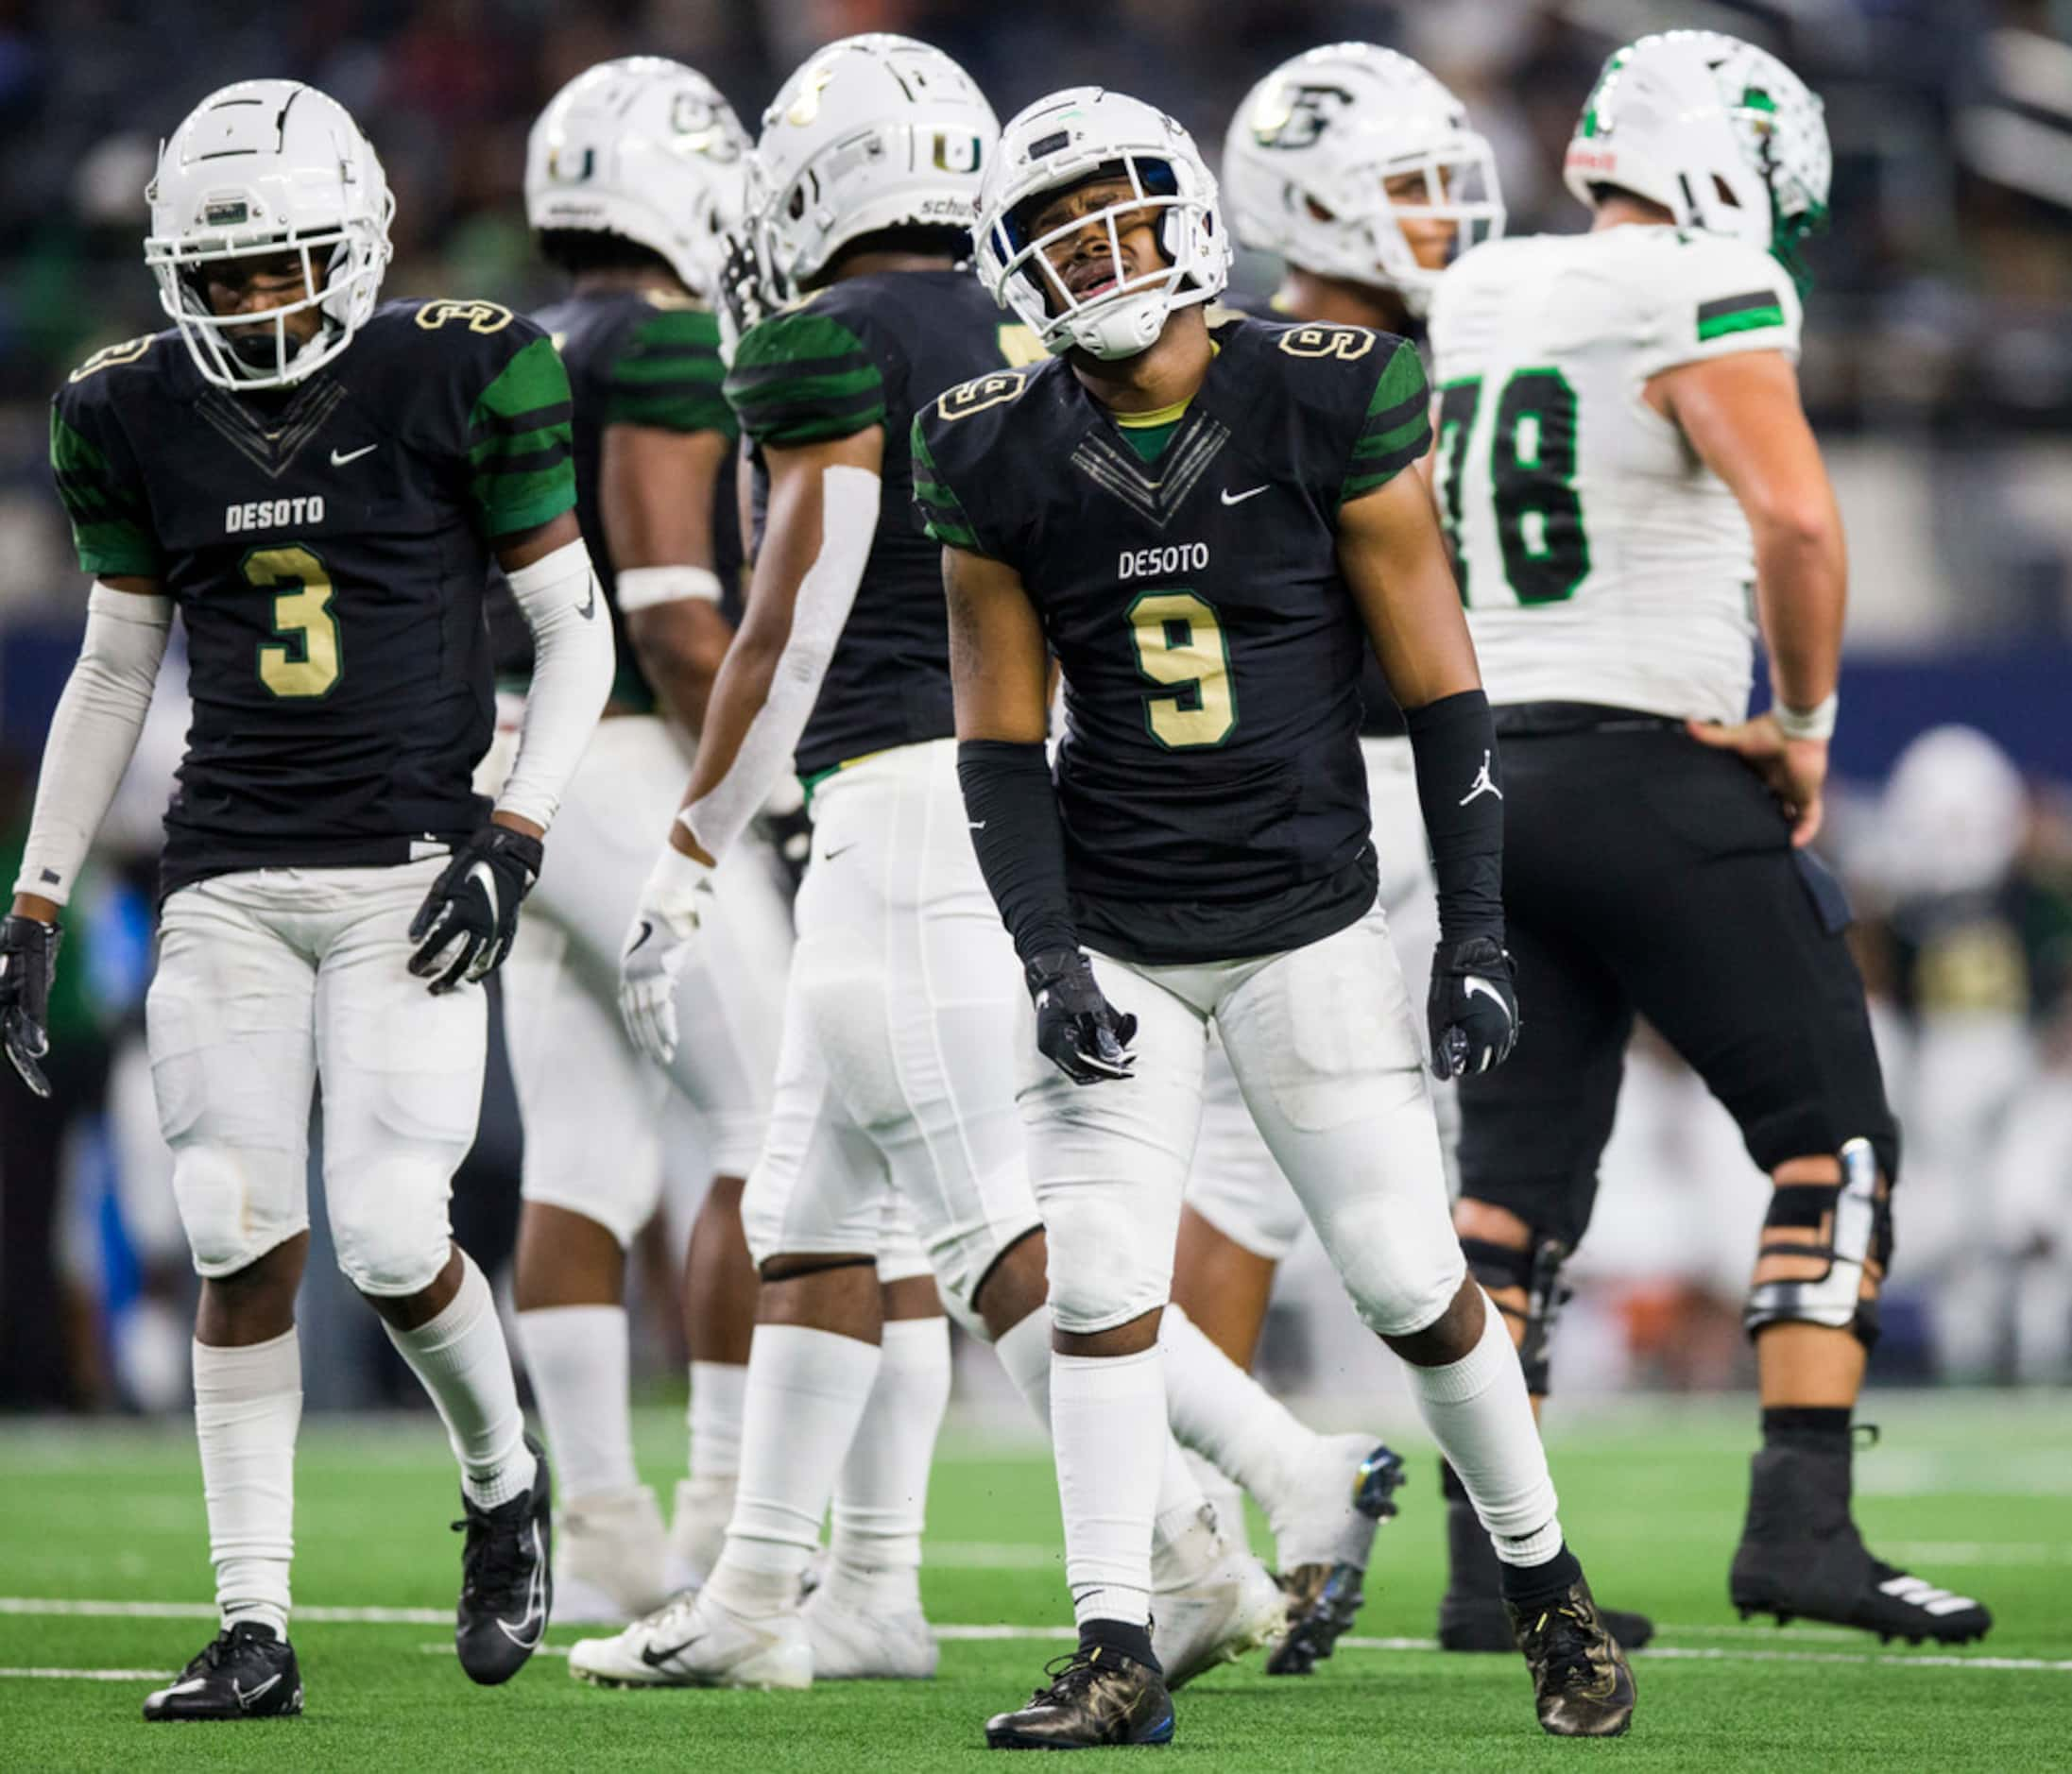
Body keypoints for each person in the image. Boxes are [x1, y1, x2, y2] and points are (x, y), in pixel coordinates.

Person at [578, 35, 1391, 1697]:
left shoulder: (838, 340)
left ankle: (1215, 1527)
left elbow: (797, 615)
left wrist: (688, 841)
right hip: (1026, 790)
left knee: (977, 1232)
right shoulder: (1049, 328)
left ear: (818, 185)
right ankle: (797, 1594)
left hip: (903, 798)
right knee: (810, 1214)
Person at [920, 86, 1633, 1748]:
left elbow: (1447, 690)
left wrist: (1475, 932)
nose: (1100, 247)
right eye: (1061, 226)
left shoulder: (1332, 392)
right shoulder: (989, 443)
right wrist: (1042, 951)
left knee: (1404, 1273)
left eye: (1122, 210)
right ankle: (1111, 1635)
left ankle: (1548, 1587)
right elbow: (1000, 736)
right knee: (1098, 1271)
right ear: (1015, 267)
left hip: (1310, 917)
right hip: (1121, 922)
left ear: (1185, 216)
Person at [0, 80, 614, 1717]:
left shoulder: (462, 367)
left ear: (353, 248)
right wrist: (40, 889)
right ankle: (252, 1618)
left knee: (397, 1227)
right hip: (228, 867)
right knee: (231, 1227)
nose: (255, 301)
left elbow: (574, 627)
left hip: (413, 858)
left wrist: (519, 827)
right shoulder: (127, 409)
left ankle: (500, 1480)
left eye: (283, 266)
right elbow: (118, 659)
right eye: (223, 275)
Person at [1428, 29, 1991, 1646]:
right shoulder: (1698, 285)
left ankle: (1492, 1571)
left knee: (1513, 1190)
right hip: (1644, 755)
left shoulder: (1469, 290)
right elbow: (1800, 516)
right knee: (1839, 1136)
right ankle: (1803, 1525)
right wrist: (1803, 728)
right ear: (1729, 161)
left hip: (1484, 780)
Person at [504, 54, 795, 1624]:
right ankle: (726, 1517)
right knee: (769, 1128)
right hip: (618, 757)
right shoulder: (669, 339)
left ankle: (603, 1523)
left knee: (582, 1152)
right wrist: (772, 789)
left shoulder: (524, 340)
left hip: (500, 773)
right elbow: (673, 616)